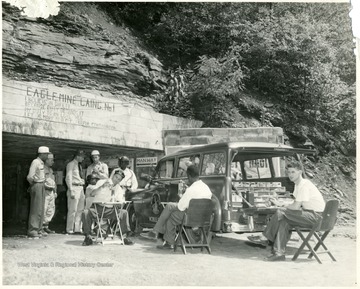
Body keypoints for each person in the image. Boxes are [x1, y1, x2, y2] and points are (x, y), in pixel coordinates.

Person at [247, 160, 325, 261]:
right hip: (312, 216)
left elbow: (296, 207)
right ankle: (279, 253)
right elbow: (296, 204)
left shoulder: (303, 186)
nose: (290, 175)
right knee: (284, 221)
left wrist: (281, 205)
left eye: (293, 172)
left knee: (281, 212)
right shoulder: (298, 185)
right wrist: (282, 203)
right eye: (288, 172)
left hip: (316, 217)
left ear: (300, 172)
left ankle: (265, 237)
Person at [140, 164, 212, 249]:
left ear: (189, 176)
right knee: (170, 209)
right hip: (203, 218)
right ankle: (157, 233)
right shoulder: (206, 187)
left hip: (190, 218)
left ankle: (160, 235)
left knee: (170, 211)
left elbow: (181, 207)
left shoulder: (191, 190)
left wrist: (181, 195)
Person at [81, 170, 134, 246]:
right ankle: (87, 236)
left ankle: (125, 236)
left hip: (111, 210)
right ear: (113, 176)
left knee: (124, 212)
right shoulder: (101, 182)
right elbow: (92, 194)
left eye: (119, 179)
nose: (116, 180)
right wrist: (102, 187)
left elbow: (120, 202)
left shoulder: (119, 189)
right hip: (98, 208)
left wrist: (117, 200)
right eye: (116, 177)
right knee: (85, 213)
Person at [26, 146, 51, 238]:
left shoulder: (41, 163)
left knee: (41, 208)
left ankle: (39, 229)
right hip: (37, 185)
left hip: (42, 185)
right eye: (46, 154)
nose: (47, 156)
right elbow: (30, 176)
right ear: (42, 154)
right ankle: (32, 230)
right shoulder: (35, 162)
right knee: (35, 208)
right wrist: (34, 185)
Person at [65, 149, 86, 234]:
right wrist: (71, 190)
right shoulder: (71, 164)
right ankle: (69, 229)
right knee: (72, 210)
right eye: (82, 157)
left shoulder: (79, 165)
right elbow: (68, 177)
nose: (83, 159)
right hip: (74, 187)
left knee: (80, 209)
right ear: (78, 156)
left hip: (80, 188)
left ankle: (77, 228)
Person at [43, 153, 57, 234]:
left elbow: (53, 182)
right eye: (51, 160)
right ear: (47, 160)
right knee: (44, 209)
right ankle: (41, 227)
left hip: (51, 192)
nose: (53, 162)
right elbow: (42, 181)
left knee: (50, 209)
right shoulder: (42, 169)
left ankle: (46, 227)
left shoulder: (51, 170)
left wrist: (55, 191)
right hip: (45, 191)